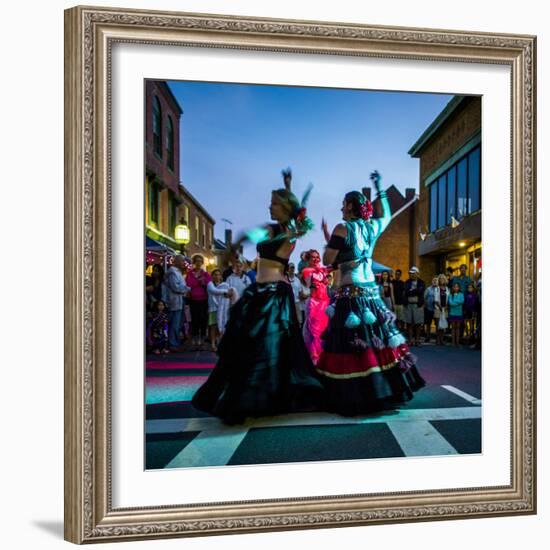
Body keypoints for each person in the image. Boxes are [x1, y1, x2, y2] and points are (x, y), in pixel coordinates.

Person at [192, 168, 325, 423]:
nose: (269, 206)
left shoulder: (284, 232)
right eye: (270, 202)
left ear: (285, 207)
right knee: (252, 345)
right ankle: (256, 394)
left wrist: (289, 189)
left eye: (274, 203)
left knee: (268, 346)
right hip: (262, 293)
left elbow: (284, 224)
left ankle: (263, 395)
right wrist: (288, 185)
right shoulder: (276, 229)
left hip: (273, 295)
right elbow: (254, 234)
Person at [316, 171, 424, 416]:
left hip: (349, 293)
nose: (341, 208)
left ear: (351, 207)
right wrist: (380, 187)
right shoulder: (372, 226)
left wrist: (335, 251)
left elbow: (327, 258)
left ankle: (355, 394)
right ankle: (384, 390)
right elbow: (385, 213)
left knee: (351, 346)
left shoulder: (343, 228)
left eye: (344, 204)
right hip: (371, 295)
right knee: (378, 343)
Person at [301, 249, 331, 364]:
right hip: (314, 303)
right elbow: (308, 273)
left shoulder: (323, 271)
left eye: (317, 257)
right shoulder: (308, 271)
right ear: (308, 259)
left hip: (324, 303)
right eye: (313, 257)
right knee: (314, 331)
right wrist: (321, 269)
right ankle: (314, 356)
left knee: (324, 329)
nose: (316, 259)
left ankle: (323, 353)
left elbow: (329, 273)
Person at [185, 254, 212, 351]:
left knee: (203, 320)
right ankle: (195, 342)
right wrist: (197, 282)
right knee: (195, 320)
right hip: (193, 300)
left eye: (200, 261)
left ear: (202, 263)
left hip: (204, 300)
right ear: (194, 262)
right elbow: (188, 285)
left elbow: (209, 287)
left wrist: (203, 283)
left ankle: (202, 341)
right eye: (196, 261)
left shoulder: (206, 274)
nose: (198, 263)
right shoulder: (189, 274)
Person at [164, 255, 191, 350]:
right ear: (177, 261)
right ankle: (173, 344)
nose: (183, 263)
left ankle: (175, 342)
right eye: (182, 261)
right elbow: (175, 287)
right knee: (174, 323)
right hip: (174, 301)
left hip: (179, 301)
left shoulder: (178, 272)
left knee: (178, 323)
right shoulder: (172, 273)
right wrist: (187, 289)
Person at [206, 269, 233, 352]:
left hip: (222, 309)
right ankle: (213, 344)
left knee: (220, 327)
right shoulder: (210, 284)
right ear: (212, 276)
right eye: (215, 274)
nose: (217, 276)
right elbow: (214, 291)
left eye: (218, 274)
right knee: (213, 327)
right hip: (213, 308)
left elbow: (228, 295)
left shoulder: (224, 285)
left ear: (221, 276)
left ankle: (219, 343)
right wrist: (225, 292)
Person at [404, 266, 426, 346]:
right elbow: (406, 292)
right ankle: (410, 340)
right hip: (408, 305)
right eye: (410, 273)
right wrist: (414, 291)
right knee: (409, 324)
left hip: (418, 305)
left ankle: (417, 340)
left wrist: (412, 291)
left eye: (413, 273)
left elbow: (420, 291)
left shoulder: (421, 282)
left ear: (417, 274)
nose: (411, 275)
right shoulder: (407, 282)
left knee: (418, 324)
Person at [433, 274, 450, 345]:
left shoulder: (447, 289)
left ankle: (442, 340)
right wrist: (440, 307)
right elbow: (435, 300)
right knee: (438, 325)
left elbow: (449, 299)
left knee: (443, 325)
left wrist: (446, 306)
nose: (442, 280)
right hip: (438, 308)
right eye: (441, 279)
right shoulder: (436, 288)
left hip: (445, 309)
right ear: (439, 280)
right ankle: (437, 340)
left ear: (445, 280)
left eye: (443, 279)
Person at [448, 282, 465, 347]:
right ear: (453, 288)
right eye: (455, 286)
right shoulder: (450, 295)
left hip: (459, 313)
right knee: (453, 328)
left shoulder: (461, 294)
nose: (456, 288)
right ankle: (453, 342)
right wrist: (457, 303)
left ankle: (457, 342)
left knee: (458, 328)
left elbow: (462, 301)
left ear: (459, 287)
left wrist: (455, 302)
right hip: (452, 313)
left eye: (457, 286)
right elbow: (450, 303)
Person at [423, 277, 439, 343]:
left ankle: (437, 338)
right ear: (431, 281)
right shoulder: (428, 289)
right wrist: (425, 306)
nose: (434, 282)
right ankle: (428, 337)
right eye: (433, 280)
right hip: (429, 309)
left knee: (437, 324)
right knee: (428, 323)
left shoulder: (439, 289)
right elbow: (424, 297)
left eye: (436, 280)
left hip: (436, 309)